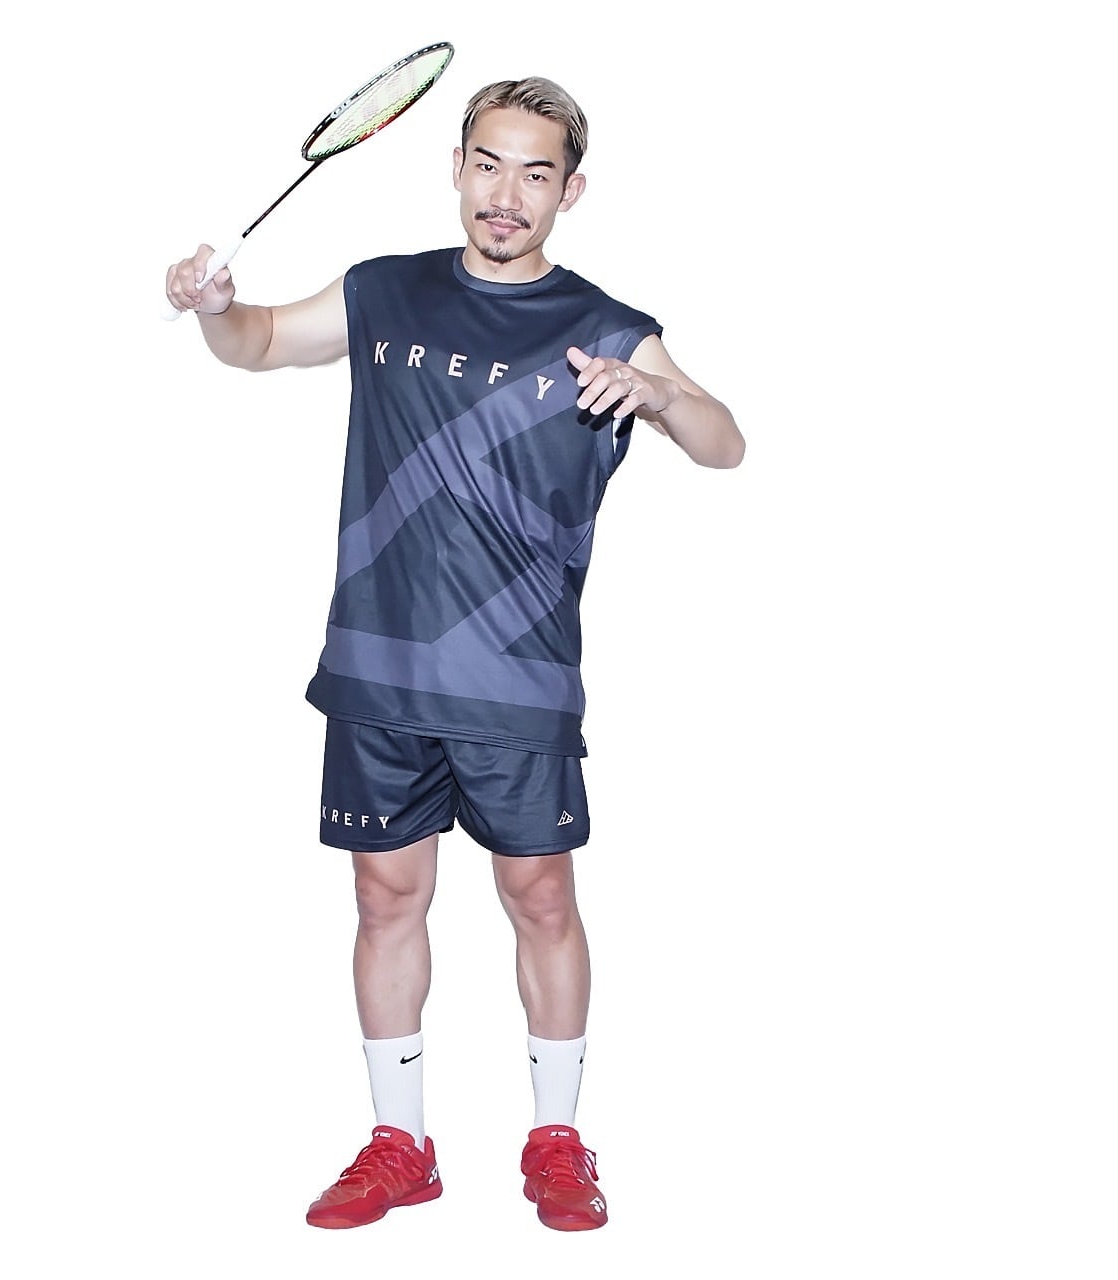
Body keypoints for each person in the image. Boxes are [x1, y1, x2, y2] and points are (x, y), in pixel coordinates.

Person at [165, 75, 744, 1233]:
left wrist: (654, 394)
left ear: (570, 190)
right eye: (488, 163)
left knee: (540, 894)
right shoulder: (385, 290)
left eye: (535, 172)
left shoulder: (603, 326)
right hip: (376, 666)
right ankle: (400, 1143)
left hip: (517, 674)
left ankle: (556, 1139)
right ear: (455, 166)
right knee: (385, 896)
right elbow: (259, 342)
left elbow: (723, 441)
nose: (505, 193)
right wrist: (216, 304)